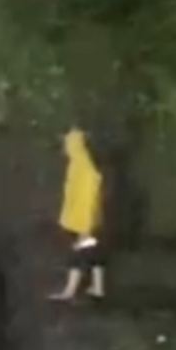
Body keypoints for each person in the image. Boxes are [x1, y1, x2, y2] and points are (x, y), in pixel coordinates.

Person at [51, 127, 107, 301]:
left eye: (68, 143)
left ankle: (70, 291)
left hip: (83, 222)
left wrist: (86, 225)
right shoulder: (81, 164)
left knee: (77, 252)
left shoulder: (82, 167)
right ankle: (97, 287)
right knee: (92, 252)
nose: (65, 147)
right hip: (87, 220)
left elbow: (87, 196)